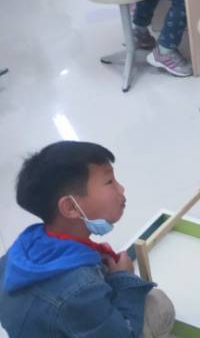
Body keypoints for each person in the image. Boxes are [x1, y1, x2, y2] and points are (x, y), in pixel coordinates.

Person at [0, 141, 175, 337]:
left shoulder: (27, 242)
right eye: (109, 182)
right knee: (158, 306)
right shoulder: (80, 290)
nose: (121, 188)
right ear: (71, 207)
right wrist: (123, 278)